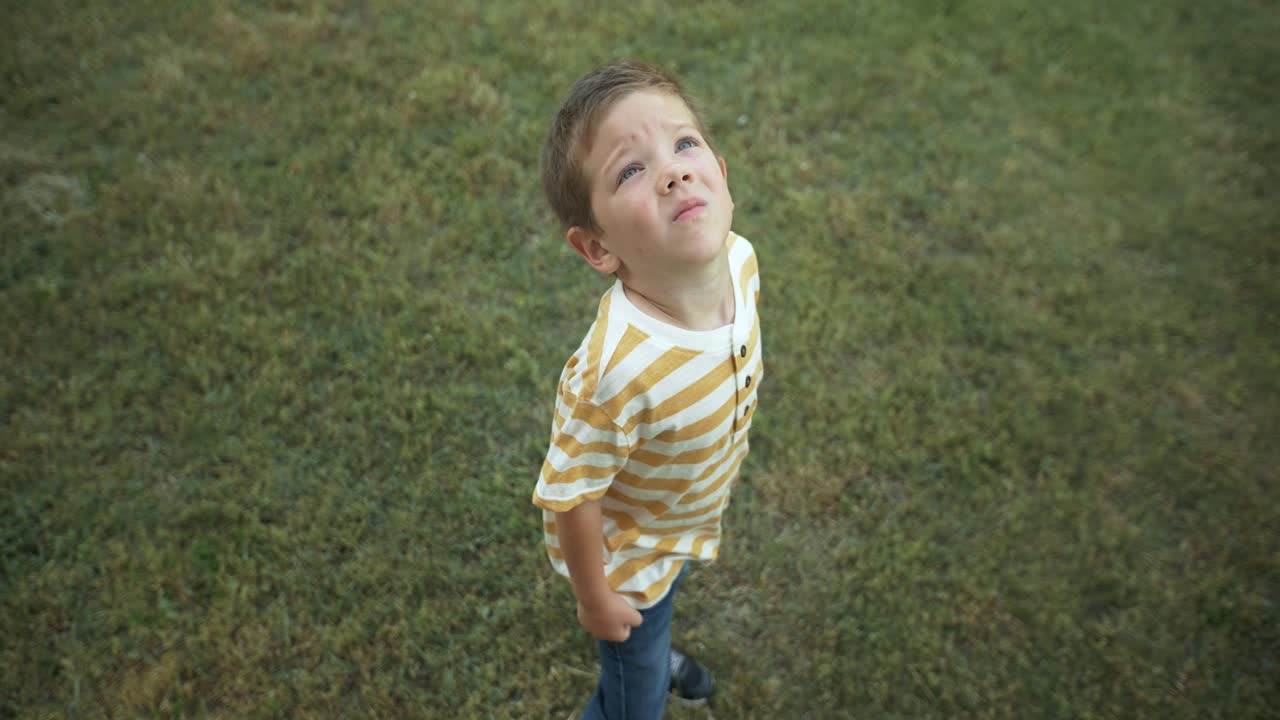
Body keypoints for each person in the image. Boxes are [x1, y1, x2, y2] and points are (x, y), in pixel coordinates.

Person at [532, 60, 763, 720]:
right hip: (630, 565)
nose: (672, 170)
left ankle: (651, 655)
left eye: (684, 144)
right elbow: (572, 493)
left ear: (720, 172)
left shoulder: (740, 262)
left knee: (659, 614)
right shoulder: (616, 374)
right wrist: (596, 600)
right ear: (597, 247)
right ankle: (644, 665)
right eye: (631, 170)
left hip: (683, 517)